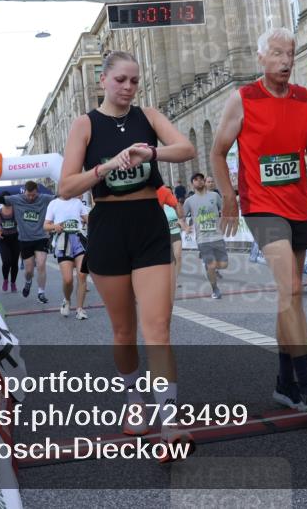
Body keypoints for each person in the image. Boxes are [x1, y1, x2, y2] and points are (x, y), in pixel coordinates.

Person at [56, 50, 196, 459]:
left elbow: (186, 149)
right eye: (120, 80)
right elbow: (66, 187)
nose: (128, 87)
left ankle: (169, 419)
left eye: (134, 81)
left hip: (148, 223)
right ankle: (135, 397)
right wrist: (104, 169)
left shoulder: (148, 117)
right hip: (108, 228)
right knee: (123, 331)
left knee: (159, 328)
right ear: (103, 80)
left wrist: (149, 153)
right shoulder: (85, 124)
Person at [211, 27, 307, 413]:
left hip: (297, 204)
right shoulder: (243, 99)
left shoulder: (303, 98)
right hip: (261, 206)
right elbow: (218, 153)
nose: (286, 61)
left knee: (290, 296)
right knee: (293, 288)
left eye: (291, 54)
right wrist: (230, 198)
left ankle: (284, 382)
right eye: (278, 54)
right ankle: (306, 385)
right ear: (261, 57)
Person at [0, 181, 54, 302]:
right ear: (25, 191)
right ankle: (28, 281)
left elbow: (61, 197)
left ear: (37, 191)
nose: (31, 197)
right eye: (28, 195)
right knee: (29, 271)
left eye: (33, 195)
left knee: (41, 265)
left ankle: (41, 293)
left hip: (41, 237)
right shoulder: (17, 199)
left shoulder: (44, 198)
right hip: (25, 239)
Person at [44, 195, 90, 319]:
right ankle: (67, 300)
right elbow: (45, 226)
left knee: (82, 275)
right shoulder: (53, 203)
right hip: (63, 242)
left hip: (79, 241)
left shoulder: (78, 203)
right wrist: (55, 226)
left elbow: (89, 219)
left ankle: (80, 309)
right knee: (68, 279)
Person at [182, 173, 228, 299]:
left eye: (201, 179)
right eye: (196, 180)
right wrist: (186, 227)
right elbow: (181, 217)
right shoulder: (189, 201)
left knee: (224, 264)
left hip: (217, 236)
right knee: (211, 265)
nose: (200, 181)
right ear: (192, 184)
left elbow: (223, 210)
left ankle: (208, 266)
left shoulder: (214, 195)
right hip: (202, 239)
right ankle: (215, 289)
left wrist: (224, 220)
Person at [157, 185, 188, 292]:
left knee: (178, 256)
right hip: (164, 235)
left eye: (170, 193)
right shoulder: (159, 205)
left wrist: (181, 224)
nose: (169, 195)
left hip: (175, 233)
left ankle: (175, 279)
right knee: (167, 259)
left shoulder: (176, 206)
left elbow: (181, 217)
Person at [0, 193, 20, 292]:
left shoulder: (16, 210)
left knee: (14, 263)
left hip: (15, 238)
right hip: (4, 239)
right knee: (6, 261)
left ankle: (13, 282)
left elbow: (22, 221)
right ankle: (5, 280)